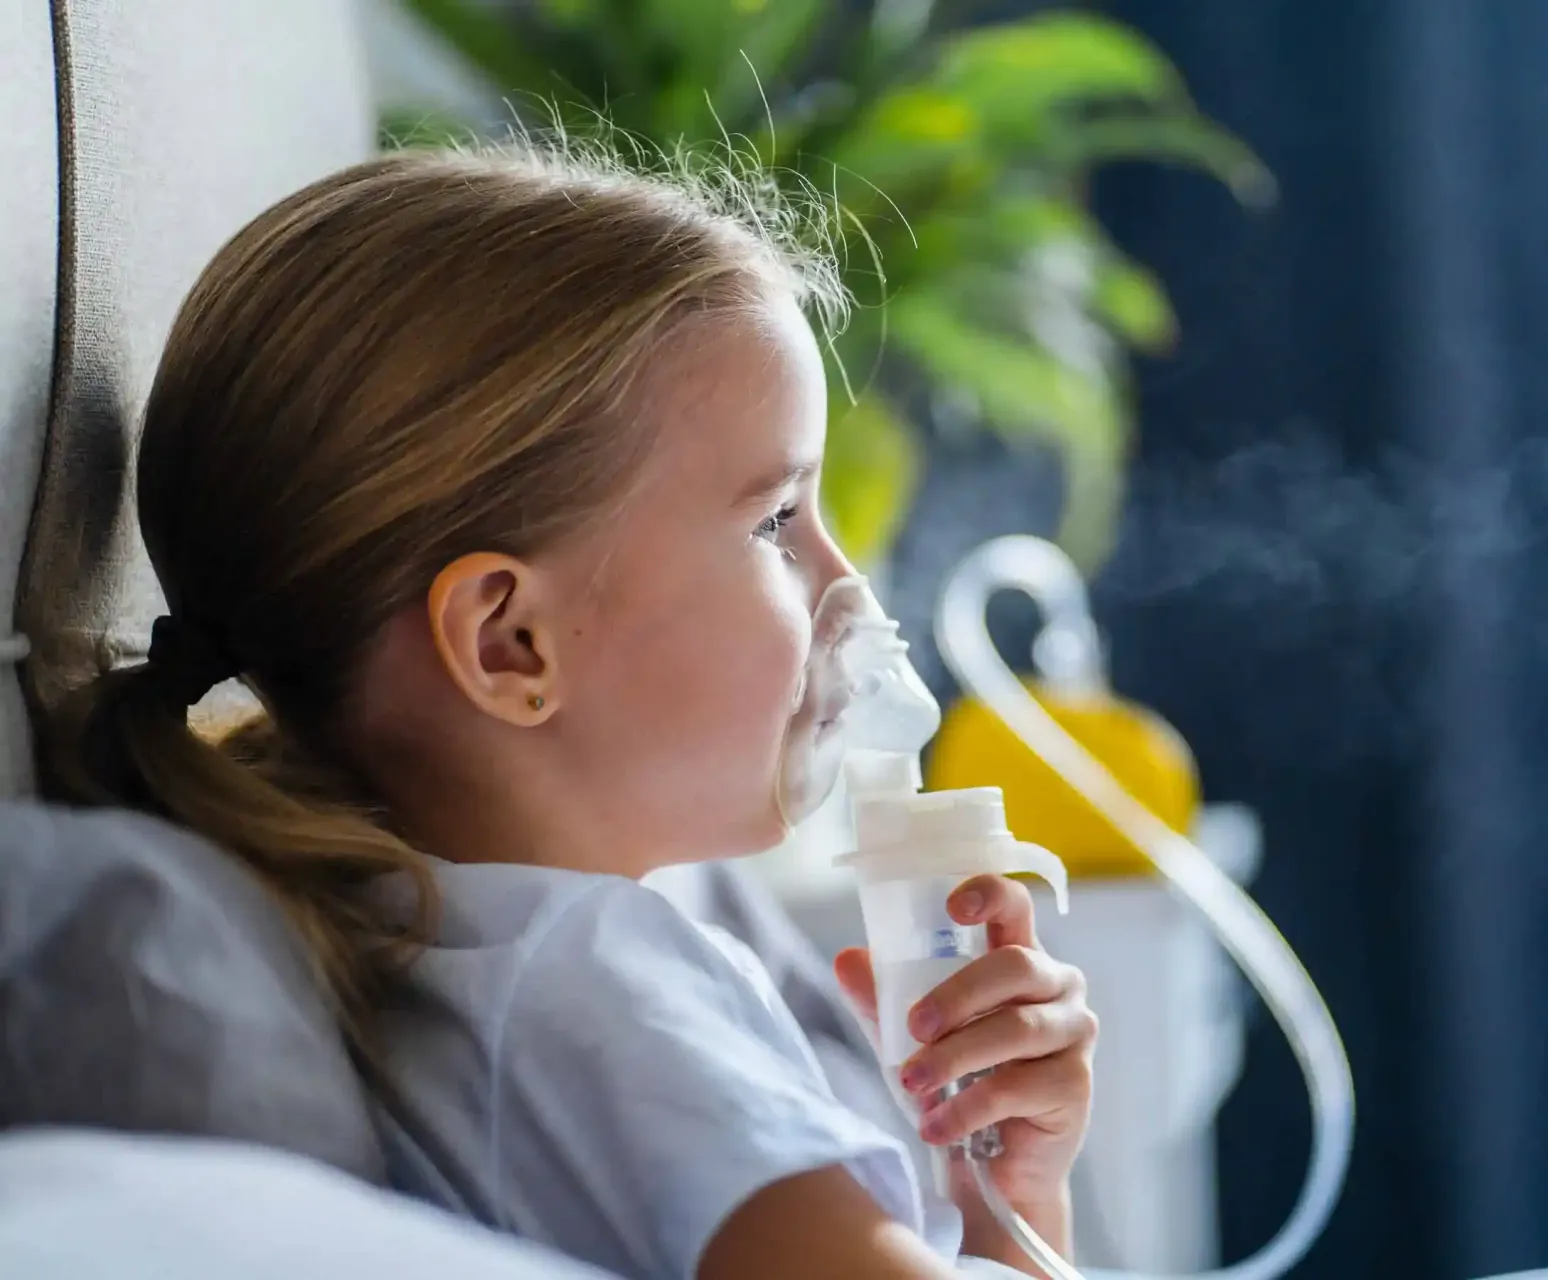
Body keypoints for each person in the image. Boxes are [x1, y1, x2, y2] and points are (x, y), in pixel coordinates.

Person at [54, 145, 1097, 1280]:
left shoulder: (438, 942)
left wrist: (1005, 1193)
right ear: (510, 642)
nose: (848, 586)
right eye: (773, 522)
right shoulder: (604, 989)